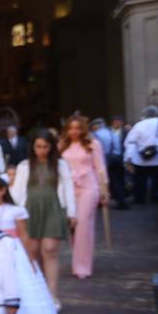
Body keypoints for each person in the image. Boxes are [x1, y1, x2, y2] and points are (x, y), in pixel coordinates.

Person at [0, 176, 61, 314]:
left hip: (14, 252)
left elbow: (24, 235)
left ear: (3, 190)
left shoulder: (15, 211)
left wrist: (30, 258)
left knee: (19, 286)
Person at [10, 130, 76, 308]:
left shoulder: (60, 165)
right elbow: (17, 192)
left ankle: (52, 295)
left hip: (53, 208)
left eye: (45, 146)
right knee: (33, 252)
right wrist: (13, 213)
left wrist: (72, 212)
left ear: (51, 147)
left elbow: (68, 188)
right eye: (38, 146)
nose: (41, 150)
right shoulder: (25, 165)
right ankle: (39, 291)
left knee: (50, 250)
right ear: (32, 147)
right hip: (29, 210)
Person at [60, 115, 108, 279]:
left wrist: (104, 190)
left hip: (89, 187)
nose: (74, 131)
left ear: (83, 129)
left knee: (83, 225)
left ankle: (82, 266)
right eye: (71, 128)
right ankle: (78, 260)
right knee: (73, 226)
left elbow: (100, 168)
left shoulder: (93, 145)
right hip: (69, 189)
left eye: (78, 128)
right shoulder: (61, 146)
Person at [124, 105, 158, 204]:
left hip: (141, 157)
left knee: (140, 179)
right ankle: (155, 195)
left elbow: (131, 141)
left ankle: (140, 198)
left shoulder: (139, 125)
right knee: (157, 178)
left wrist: (128, 157)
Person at [92, 118, 128, 210]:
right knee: (118, 181)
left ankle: (102, 201)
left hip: (106, 160)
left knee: (103, 181)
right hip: (117, 158)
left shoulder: (95, 135)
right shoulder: (113, 133)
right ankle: (122, 201)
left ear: (96, 126)